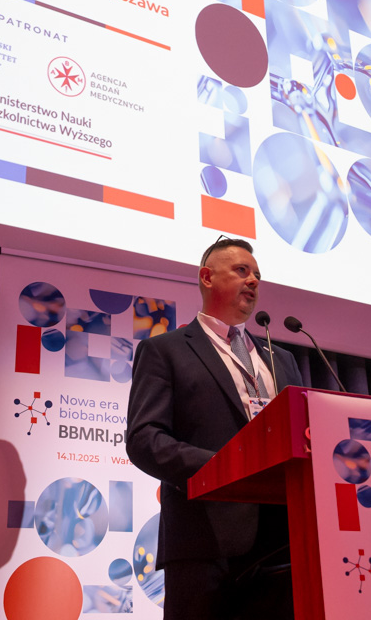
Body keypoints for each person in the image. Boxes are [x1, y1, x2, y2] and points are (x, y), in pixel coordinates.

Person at [126, 237, 304, 620]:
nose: (254, 280)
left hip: (283, 544)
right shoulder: (166, 350)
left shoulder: (283, 359)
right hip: (204, 542)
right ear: (207, 277)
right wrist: (226, 468)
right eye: (242, 270)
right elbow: (145, 439)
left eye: (257, 274)